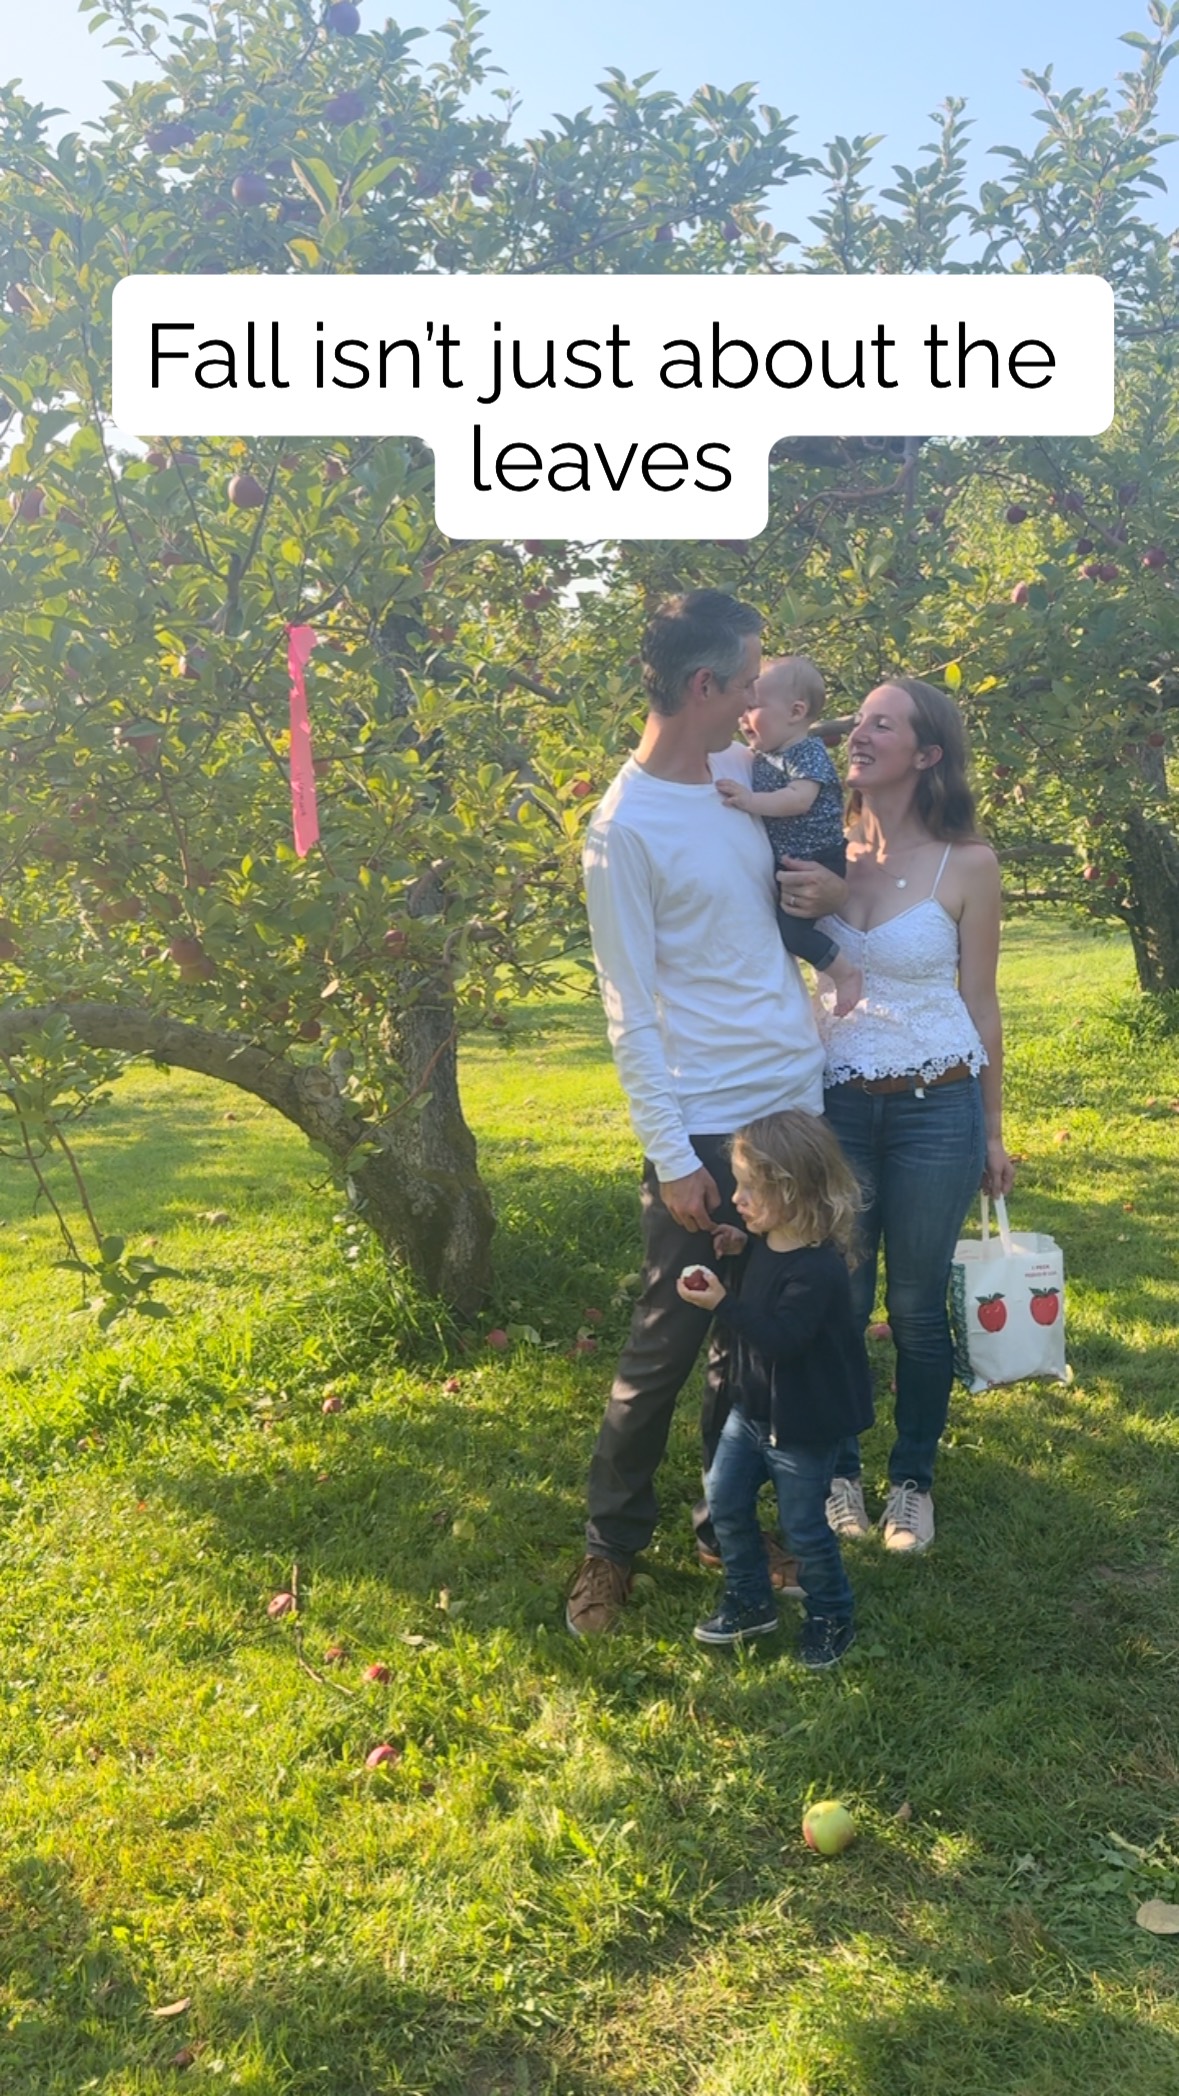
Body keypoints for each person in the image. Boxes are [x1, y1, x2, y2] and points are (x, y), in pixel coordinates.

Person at [568, 590, 847, 1637]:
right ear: (702, 685)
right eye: (746, 684)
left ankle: (722, 1526)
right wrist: (674, 1155)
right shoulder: (623, 829)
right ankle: (608, 1550)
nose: (756, 702)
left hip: (792, 1105)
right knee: (667, 1342)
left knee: (753, 1344)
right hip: (708, 1129)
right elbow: (628, 1009)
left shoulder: (743, 781)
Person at [810, 677, 1016, 1555]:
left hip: (938, 1107)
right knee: (840, 1299)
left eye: (880, 724)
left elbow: (982, 1002)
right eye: (857, 720)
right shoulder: (821, 850)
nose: (857, 735)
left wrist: (993, 1131)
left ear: (926, 754)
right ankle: (838, 1474)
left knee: (917, 1306)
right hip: (835, 1108)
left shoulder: (966, 864)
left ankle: (911, 1483)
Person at [676, 1109, 873, 1669]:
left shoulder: (818, 1270)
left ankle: (831, 1613)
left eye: (748, 1189)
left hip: (804, 1423)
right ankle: (749, 1599)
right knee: (724, 1499)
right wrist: (741, 1248)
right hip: (752, 1409)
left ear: (792, 1191)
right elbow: (764, 1283)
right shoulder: (771, 1243)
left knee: (803, 1527)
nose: (735, 1198)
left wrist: (722, 1303)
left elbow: (783, 1338)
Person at [715, 656, 863, 1016]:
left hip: (817, 860)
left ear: (796, 712)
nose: (742, 717)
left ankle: (845, 973)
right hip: (791, 862)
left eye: (753, 707)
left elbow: (799, 800)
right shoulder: (763, 756)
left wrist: (750, 801)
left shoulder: (806, 752)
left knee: (793, 934)